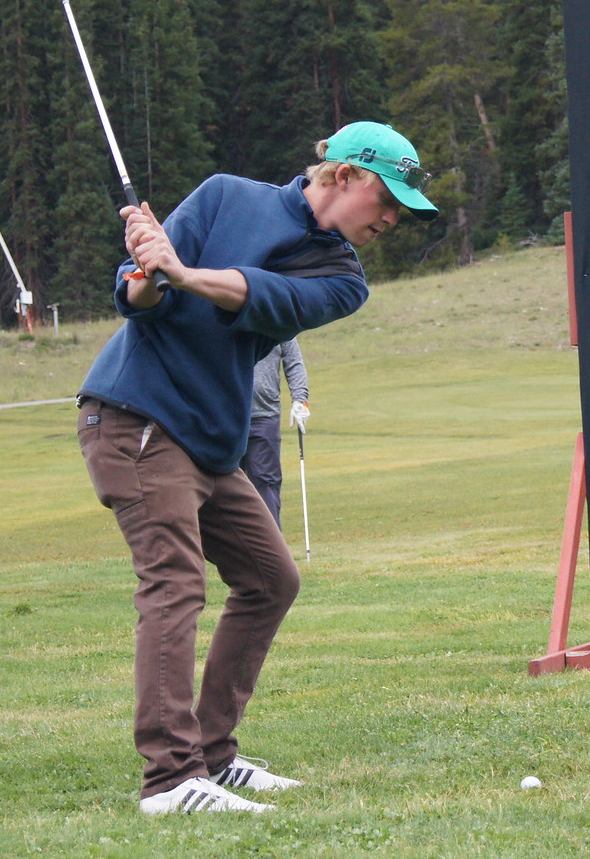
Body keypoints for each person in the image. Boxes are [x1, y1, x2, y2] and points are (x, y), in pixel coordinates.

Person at [75, 121, 436, 815]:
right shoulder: (223, 196)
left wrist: (182, 272)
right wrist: (150, 271)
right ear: (344, 176)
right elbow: (138, 298)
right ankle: (170, 779)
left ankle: (213, 754)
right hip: (137, 416)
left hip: (208, 438)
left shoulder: (342, 279)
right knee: (174, 583)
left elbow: (262, 297)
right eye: (388, 199)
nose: (392, 218)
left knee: (272, 579)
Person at [245, 340, 310, 528]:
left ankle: (270, 542)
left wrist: (300, 400)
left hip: (265, 416)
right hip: (226, 416)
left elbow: (294, 362)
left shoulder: (279, 323)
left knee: (266, 480)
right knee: (224, 483)